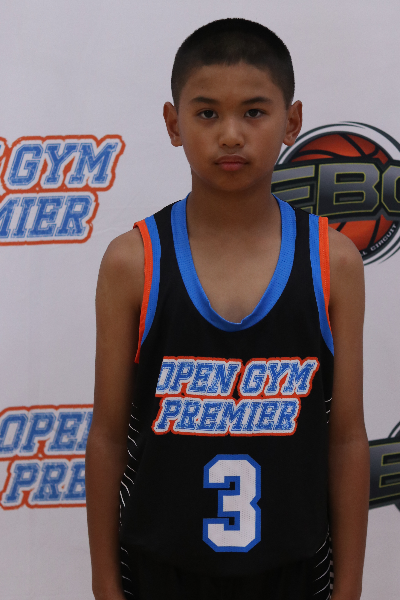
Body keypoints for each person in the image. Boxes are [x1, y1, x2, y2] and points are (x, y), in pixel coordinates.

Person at [85, 18, 370, 600]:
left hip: (296, 571)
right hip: (159, 571)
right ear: (174, 124)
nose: (231, 135)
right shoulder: (132, 262)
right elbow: (109, 436)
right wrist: (105, 583)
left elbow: (345, 439)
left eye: (255, 112)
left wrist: (349, 587)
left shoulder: (332, 262)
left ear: (292, 122)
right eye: (208, 113)